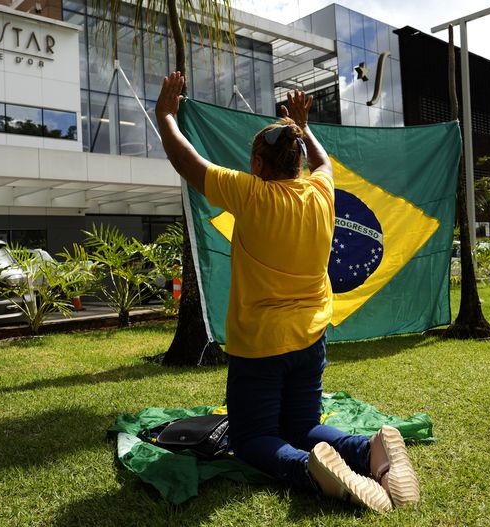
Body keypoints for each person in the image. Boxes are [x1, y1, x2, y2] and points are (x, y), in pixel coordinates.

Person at [154, 71, 419, 513]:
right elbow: (326, 164)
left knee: (252, 438)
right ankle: (370, 449)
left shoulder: (250, 194)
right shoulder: (321, 192)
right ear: (297, 163)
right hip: (311, 337)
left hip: (260, 345)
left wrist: (165, 114)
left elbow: (189, 162)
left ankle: (307, 471)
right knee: (302, 424)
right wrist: (305, 127)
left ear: (257, 165)